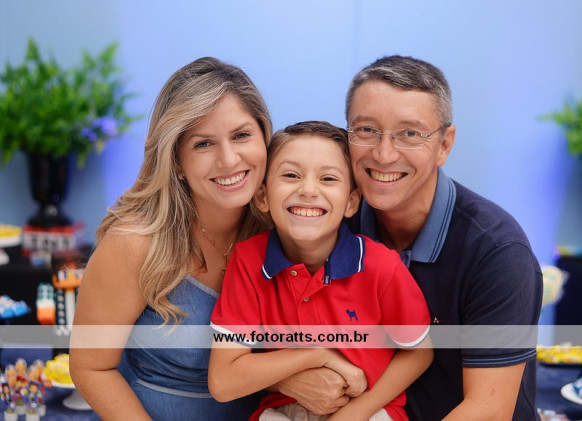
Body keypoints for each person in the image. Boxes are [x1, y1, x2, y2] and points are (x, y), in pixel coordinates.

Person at [275, 56, 543, 420]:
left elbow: (488, 410)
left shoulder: (496, 252)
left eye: (411, 134)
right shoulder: (330, 221)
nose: (384, 154)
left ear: (445, 145)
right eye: (366, 130)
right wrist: (284, 379)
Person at [69, 57, 274, 421]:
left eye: (242, 135)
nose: (229, 159)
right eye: (203, 144)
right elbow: (90, 367)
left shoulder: (283, 232)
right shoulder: (134, 242)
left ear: (265, 137)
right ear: (176, 160)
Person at [209, 121, 433, 421]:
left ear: (351, 202)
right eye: (291, 175)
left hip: (369, 410)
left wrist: (353, 414)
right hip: (284, 410)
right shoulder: (249, 261)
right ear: (262, 197)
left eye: (328, 178)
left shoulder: (382, 266)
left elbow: (419, 352)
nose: (308, 190)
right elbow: (223, 382)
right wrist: (317, 355)